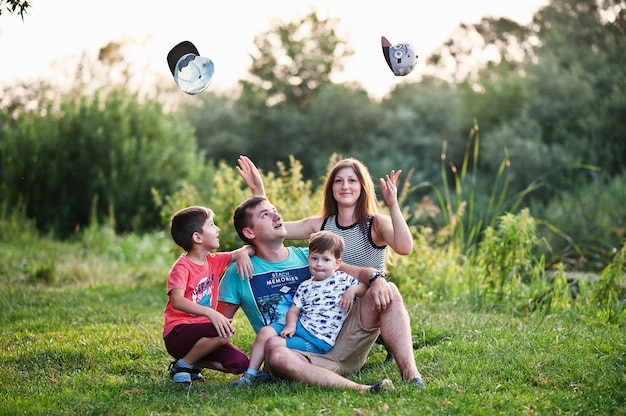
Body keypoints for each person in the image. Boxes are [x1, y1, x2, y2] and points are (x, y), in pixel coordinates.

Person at [217, 196, 425, 391]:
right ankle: (362, 390)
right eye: (266, 215)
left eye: (275, 211)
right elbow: (219, 328)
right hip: (296, 354)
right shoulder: (238, 273)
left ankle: (411, 375)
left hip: (342, 340)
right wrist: (193, 362)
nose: (277, 216)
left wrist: (377, 278)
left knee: (388, 288)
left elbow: (362, 273)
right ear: (249, 233)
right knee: (278, 355)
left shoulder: (310, 257)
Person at [237, 155, 413, 361]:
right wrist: (258, 192)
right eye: (338, 181)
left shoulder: (376, 224)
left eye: (352, 180)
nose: (345, 186)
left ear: (363, 187)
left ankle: (386, 336)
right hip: (330, 312)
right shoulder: (320, 225)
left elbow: (404, 247)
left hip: (367, 302)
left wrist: (392, 204)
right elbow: (270, 231)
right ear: (331, 188)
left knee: (384, 292)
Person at [231, 231, 378, 391]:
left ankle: (265, 375)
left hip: (317, 339)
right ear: (308, 259)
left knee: (273, 342)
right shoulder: (305, 285)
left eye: (326, 260)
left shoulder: (342, 279)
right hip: (301, 326)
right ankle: (250, 375)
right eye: (314, 258)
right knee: (266, 332)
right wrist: (291, 325)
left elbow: (367, 288)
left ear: (337, 263)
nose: (319, 264)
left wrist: (353, 291)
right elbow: (294, 310)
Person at [163, 205, 255, 384]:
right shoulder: (182, 267)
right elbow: (177, 300)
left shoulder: (214, 261)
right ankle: (183, 365)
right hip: (178, 333)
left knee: (241, 364)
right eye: (212, 225)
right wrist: (211, 313)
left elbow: (251, 248)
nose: (218, 229)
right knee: (224, 330)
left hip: (204, 334)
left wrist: (243, 252)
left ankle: (191, 362)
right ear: (197, 237)